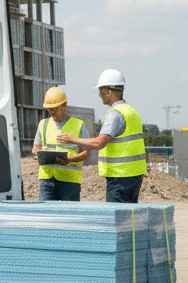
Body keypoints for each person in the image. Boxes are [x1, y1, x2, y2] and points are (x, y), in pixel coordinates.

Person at [57, 69, 146, 203]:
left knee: (117, 219)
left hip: (119, 176)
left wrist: (73, 139)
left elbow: (100, 143)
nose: (99, 95)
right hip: (135, 174)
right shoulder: (132, 112)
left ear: (109, 92)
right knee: (129, 217)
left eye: (101, 91)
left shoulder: (115, 114)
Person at [31, 86, 90, 201]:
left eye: (55, 109)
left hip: (70, 182)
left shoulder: (78, 125)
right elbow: (35, 149)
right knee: (46, 217)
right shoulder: (43, 124)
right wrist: (41, 154)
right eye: (49, 109)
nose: (52, 112)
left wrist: (70, 160)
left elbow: (87, 153)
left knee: (69, 217)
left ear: (64, 105)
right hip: (47, 181)